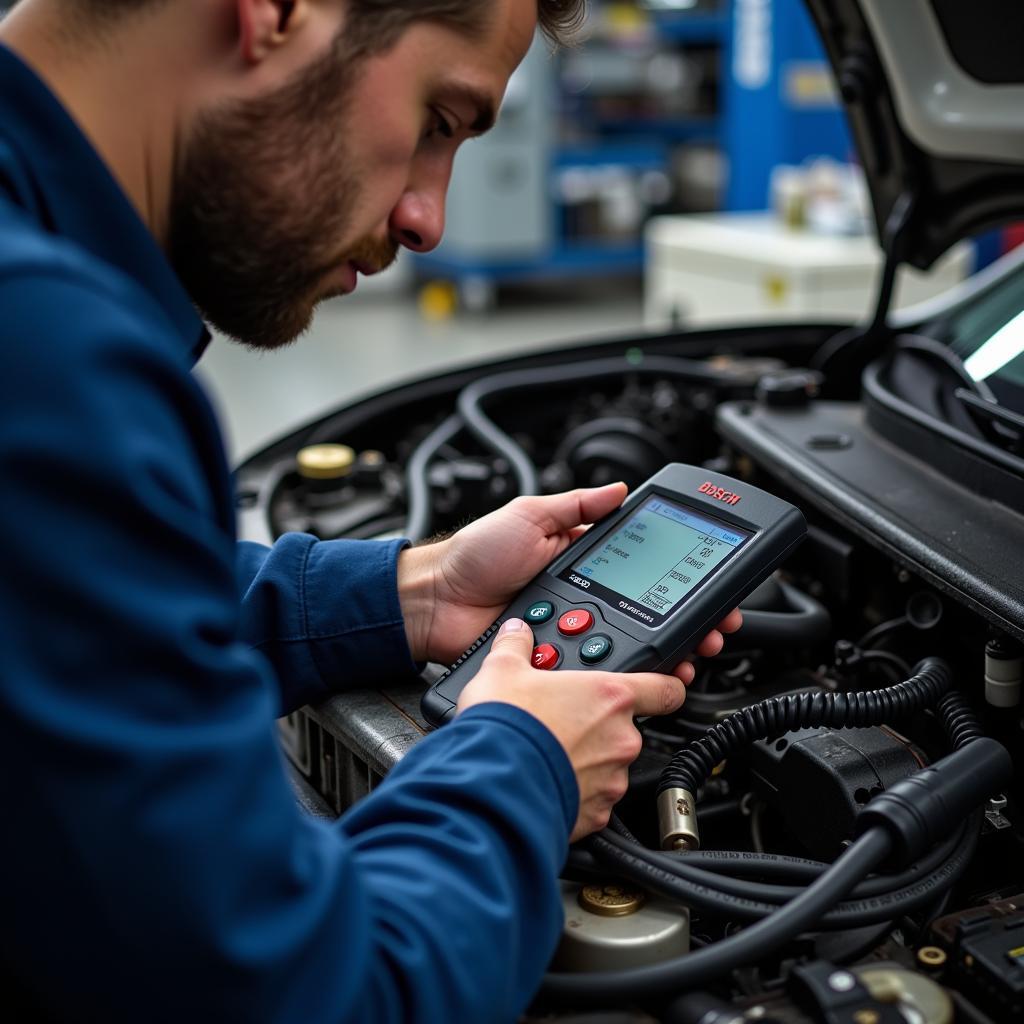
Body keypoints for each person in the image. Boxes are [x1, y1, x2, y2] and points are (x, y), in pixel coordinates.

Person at [0, 1, 741, 1020]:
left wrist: (412, 589)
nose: (427, 219)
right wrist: (522, 765)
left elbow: (55, 619)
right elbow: (314, 995)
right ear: (277, 12)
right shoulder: (45, 358)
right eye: (440, 121)